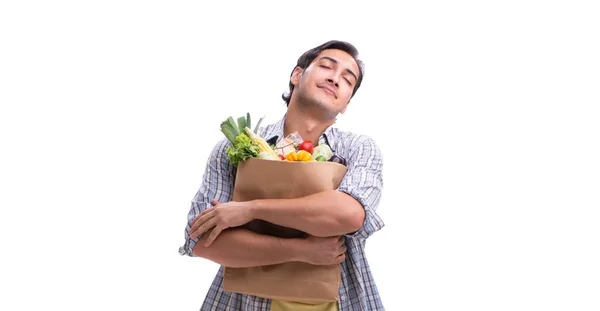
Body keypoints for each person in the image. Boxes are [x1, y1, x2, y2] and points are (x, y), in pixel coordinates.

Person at [178, 40, 385, 311]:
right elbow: (202, 241)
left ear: (346, 104)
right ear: (297, 75)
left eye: (347, 80)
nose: (335, 79)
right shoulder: (236, 146)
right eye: (326, 66)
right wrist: (301, 251)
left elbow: (349, 215)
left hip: (338, 301)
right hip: (245, 303)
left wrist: (250, 210)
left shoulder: (358, 149)